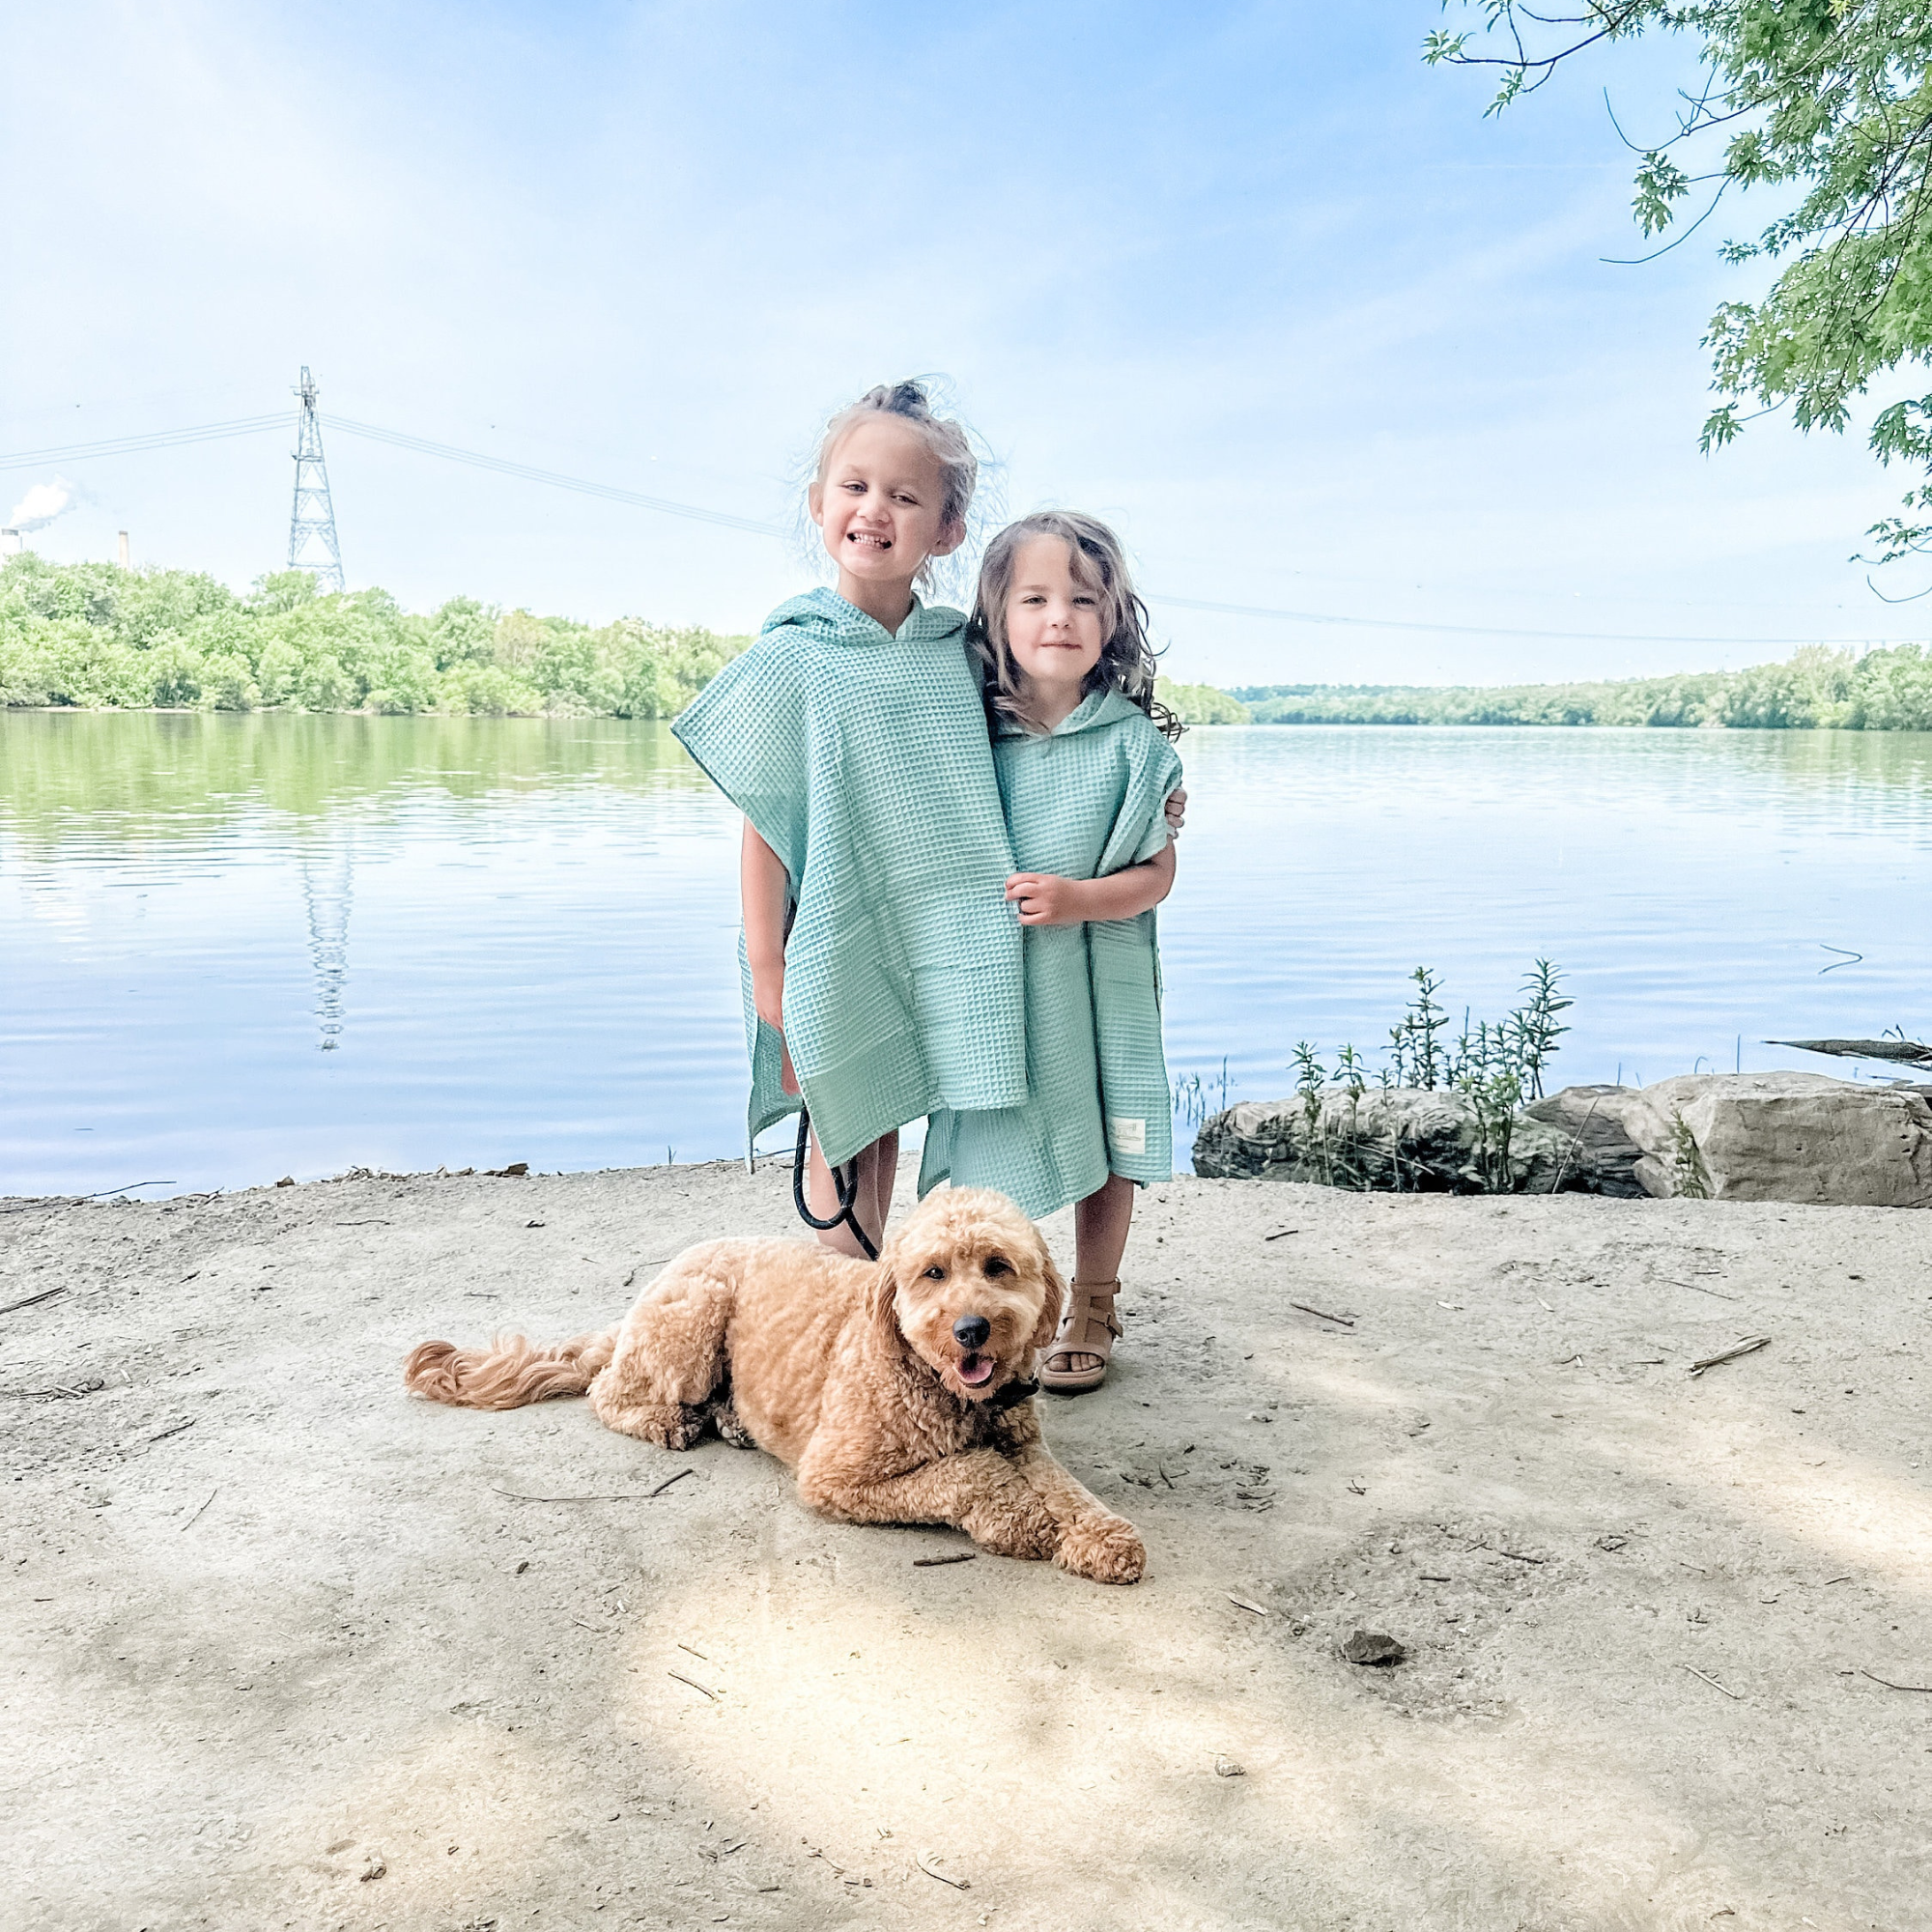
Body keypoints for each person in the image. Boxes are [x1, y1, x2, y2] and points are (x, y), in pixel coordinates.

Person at [671, 381, 1028, 1259]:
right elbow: (764, 819)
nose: (875, 511)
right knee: (841, 1107)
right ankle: (840, 1290)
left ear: (946, 530)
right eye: (855, 487)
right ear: (818, 502)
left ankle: (877, 1288)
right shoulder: (793, 655)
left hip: (939, 924)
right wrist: (767, 965)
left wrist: (1156, 790)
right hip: (825, 930)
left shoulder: (959, 656)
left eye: (906, 497)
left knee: (895, 1096)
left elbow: (1043, 740)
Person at [920, 512, 1183, 1393]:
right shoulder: (967, 739)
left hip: (1100, 979)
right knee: (995, 1132)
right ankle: (988, 1310)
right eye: (1033, 598)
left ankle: (1095, 1303)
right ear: (995, 618)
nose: (1058, 617)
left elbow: (1157, 875)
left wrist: (1078, 901)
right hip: (999, 990)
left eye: (1082, 599)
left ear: (1112, 621)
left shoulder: (1131, 747)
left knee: (1112, 1134)